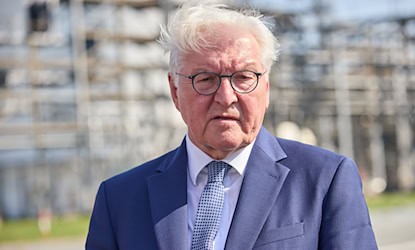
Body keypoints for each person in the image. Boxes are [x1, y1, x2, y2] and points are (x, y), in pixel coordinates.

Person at [86, 1, 378, 249]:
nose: (226, 98)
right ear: (175, 92)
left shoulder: (325, 180)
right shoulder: (119, 200)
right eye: (205, 79)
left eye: (243, 77)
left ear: (266, 88)